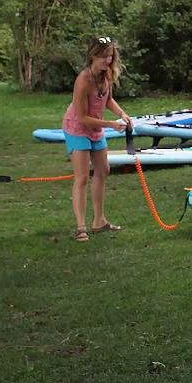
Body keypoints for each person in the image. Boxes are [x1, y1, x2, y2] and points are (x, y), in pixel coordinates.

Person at [62, 36, 133, 242]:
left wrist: (122, 114)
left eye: (110, 56)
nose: (107, 60)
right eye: (103, 57)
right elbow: (82, 117)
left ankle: (99, 221)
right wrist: (111, 124)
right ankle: (80, 227)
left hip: (95, 127)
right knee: (82, 177)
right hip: (77, 127)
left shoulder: (106, 74)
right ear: (92, 56)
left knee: (103, 170)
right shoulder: (83, 80)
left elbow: (107, 99)